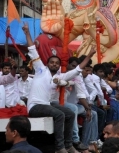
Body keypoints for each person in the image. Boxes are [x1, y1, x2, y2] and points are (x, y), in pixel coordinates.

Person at [22, 22, 94, 153]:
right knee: (60, 114)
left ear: (59, 66)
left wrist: (89, 55)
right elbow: (32, 49)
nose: (54, 64)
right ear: (47, 63)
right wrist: (27, 32)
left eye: (56, 63)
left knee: (71, 113)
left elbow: (78, 69)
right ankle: (59, 147)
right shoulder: (40, 70)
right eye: (52, 62)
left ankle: (68, 145)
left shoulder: (62, 76)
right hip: (35, 106)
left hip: (47, 104)